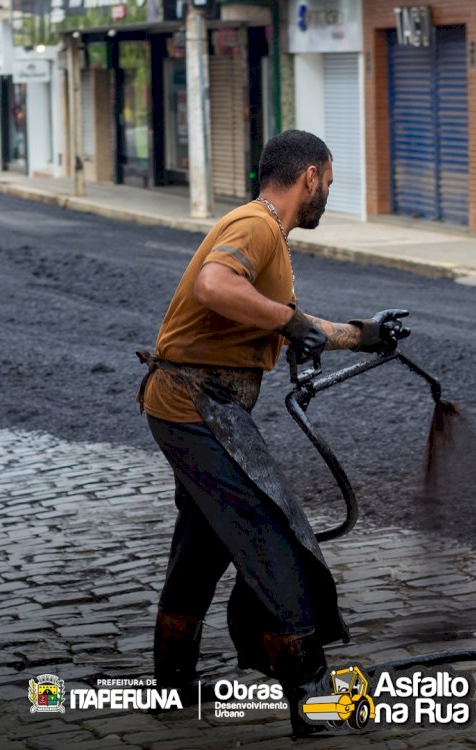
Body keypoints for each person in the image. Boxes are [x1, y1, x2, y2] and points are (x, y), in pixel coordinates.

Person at [137, 129, 410, 735]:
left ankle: (172, 685)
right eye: (329, 185)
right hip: (195, 404)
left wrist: (364, 334)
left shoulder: (265, 232)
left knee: (203, 544)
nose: (326, 197)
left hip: (193, 402)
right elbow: (215, 286)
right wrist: (289, 321)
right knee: (274, 532)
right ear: (308, 177)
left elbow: (290, 325)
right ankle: (311, 696)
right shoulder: (257, 226)